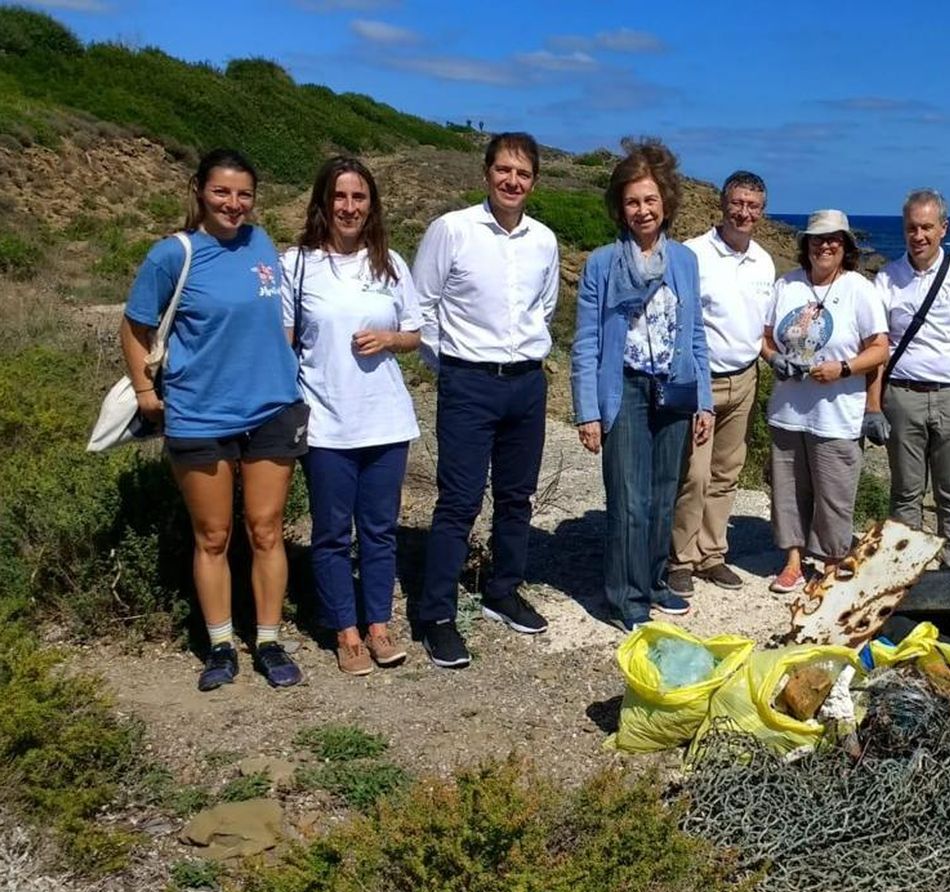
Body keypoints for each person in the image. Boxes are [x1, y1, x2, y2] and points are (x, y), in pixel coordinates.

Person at [120, 148, 308, 691]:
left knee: (266, 530)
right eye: (222, 192)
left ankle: (268, 641)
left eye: (244, 194)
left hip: (272, 407)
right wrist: (143, 390)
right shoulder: (173, 255)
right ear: (200, 191)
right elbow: (134, 327)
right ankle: (221, 645)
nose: (234, 203)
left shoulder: (262, 242)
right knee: (213, 535)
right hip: (201, 413)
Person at [413, 133, 559, 668]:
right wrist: (450, 367)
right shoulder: (452, 230)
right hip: (468, 383)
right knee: (459, 501)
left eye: (522, 173)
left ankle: (502, 590)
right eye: (503, 170)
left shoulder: (544, 240)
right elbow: (420, 305)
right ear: (486, 173)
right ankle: (436, 616)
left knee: (517, 497)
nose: (512, 181)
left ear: (533, 181)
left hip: (527, 383)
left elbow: (544, 309)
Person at [282, 156, 421, 676]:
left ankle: (379, 625)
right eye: (339, 196)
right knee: (333, 532)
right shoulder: (297, 264)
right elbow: (284, 342)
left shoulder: (390, 263)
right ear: (323, 202)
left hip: (385, 420)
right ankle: (345, 632)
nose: (348, 207)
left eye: (358, 197)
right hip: (326, 422)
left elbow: (415, 334)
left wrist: (388, 338)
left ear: (371, 205)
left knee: (380, 530)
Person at [571, 139, 712, 630]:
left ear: (666, 201)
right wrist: (588, 411)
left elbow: (696, 334)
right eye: (632, 201)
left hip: (675, 388)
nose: (643, 210)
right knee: (629, 501)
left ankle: (653, 582)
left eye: (650, 199)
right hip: (626, 389)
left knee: (663, 495)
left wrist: (705, 401)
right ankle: (626, 598)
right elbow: (586, 342)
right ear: (620, 207)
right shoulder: (602, 263)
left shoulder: (685, 262)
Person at [865, 189, 950, 570]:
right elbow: (878, 346)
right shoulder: (887, 278)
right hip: (902, 396)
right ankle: (904, 570)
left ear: (943, 228)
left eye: (926, 227)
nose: (919, 235)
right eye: (912, 228)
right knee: (905, 493)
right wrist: (872, 407)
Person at [763, 209, 889, 593]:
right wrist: (774, 359)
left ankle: (832, 562)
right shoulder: (787, 285)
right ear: (806, 244)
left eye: (834, 239)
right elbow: (765, 338)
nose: (825, 245)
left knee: (835, 495)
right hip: (787, 411)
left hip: (837, 414)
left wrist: (844, 368)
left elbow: (879, 349)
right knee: (788, 491)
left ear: (846, 246)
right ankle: (793, 562)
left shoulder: (859, 289)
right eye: (817, 239)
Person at [666, 171, 775, 597]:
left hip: (746, 378)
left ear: (762, 211)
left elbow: (761, 329)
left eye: (753, 206)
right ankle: (680, 558)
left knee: (726, 472)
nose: (744, 212)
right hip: (701, 380)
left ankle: (711, 554)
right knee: (693, 474)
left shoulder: (764, 261)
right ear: (723, 204)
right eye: (738, 203)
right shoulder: (693, 254)